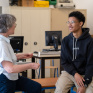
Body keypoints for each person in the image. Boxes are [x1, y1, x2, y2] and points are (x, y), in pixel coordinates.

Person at [0, 14, 41, 93]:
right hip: (5, 79)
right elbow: (10, 69)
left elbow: (6, 58)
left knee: (35, 87)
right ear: (8, 27)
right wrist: (31, 65)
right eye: (14, 23)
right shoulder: (2, 43)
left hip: (12, 77)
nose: (15, 25)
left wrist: (21, 56)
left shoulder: (5, 40)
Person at [55, 11, 93, 93]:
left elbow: (91, 64)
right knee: (59, 90)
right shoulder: (65, 40)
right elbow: (64, 62)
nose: (69, 25)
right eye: (68, 22)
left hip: (84, 74)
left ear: (80, 23)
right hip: (69, 73)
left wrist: (85, 84)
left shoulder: (89, 41)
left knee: (88, 91)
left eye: (72, 22)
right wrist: (75, 74)